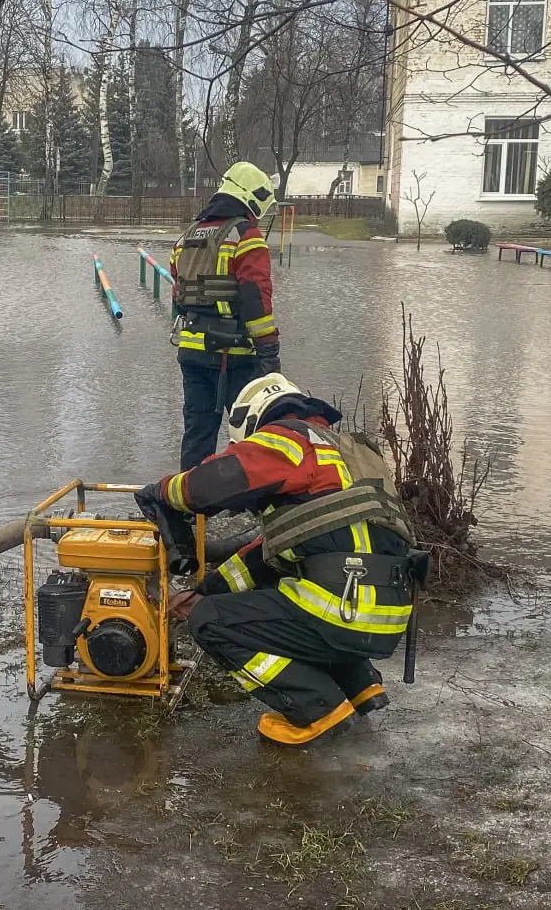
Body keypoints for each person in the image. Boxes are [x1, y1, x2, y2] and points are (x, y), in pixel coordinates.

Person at [135, 374, 421, 747]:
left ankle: (317, 709)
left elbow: (208, 483)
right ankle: (360, 687)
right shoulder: (348, 452)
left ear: (253, 424)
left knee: (212, 621)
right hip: (387, 615)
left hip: (344, 610)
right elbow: (266, 555)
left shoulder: (286, 438)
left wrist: (162, 492)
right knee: (290, 601)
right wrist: (205, 589)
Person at [169, 161, 281, 471]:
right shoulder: (246, 235)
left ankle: (191, 509)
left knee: (198, 434)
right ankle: (246, 505)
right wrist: (269, 351)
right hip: (236, 357)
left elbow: (178, 299)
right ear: (252, 199)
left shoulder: (187, 237)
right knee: (251, 436)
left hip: (191, 353)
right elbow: (255, 299)